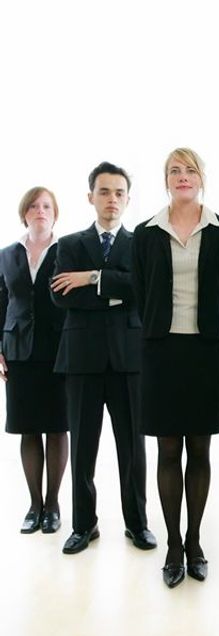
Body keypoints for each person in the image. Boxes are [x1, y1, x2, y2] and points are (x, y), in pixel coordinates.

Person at [132, 148, 219, 588]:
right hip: (161, 353)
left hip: (205, 350)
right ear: (166, 180)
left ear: (201, 178)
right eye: (175, 170)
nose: (183, 176)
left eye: (190, 170)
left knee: (201, 451)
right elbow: (139, 292)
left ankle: (194, 541)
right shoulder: (145, 233)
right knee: (168, 451)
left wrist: (217, 326)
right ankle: (173, 544)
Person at [51, 162, 154, 555]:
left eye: (119, 193)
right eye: (105, 191)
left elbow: (144, 290)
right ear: (90, 196)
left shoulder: (140, 243)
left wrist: (92, 278)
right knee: (82, 448)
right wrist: (116, 291)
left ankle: (137, 523)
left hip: (129, 359)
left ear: (128, 199)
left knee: (133, 448)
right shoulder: (69, 245)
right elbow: (60, 296)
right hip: (82, 359)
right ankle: (83, 525)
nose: (112, 199)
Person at [0, 187, 68, 535]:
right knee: (27, 427)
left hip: (59, 350)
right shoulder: (7, 255)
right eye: (34, 206)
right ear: (24, 213)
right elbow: (1, 301)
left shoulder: (67, 250)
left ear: (55, 213)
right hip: (19, 351)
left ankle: (53, 504)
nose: (40, 211)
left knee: (57, 426)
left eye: (46, 206)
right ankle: (34, 504)